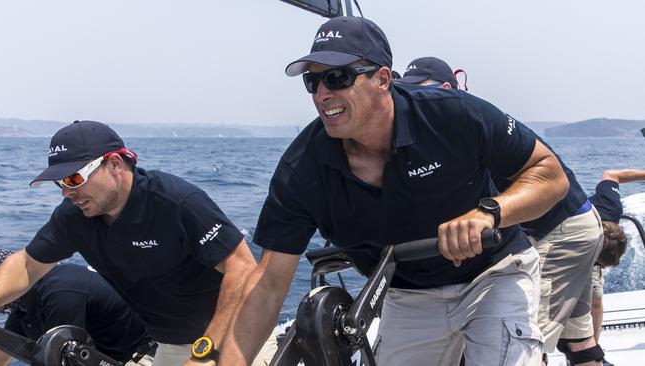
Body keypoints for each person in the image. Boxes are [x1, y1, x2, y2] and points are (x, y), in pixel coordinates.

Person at [219, 16, 571, 366]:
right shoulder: (302, 169)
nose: (323, 93)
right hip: (408, 294)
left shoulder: (452, 115)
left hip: (493, 274)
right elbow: (268, 286)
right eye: (313, 81)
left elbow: (550, 175)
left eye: (337, 77)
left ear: (382, 79)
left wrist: (489, 213)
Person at [0, 121, 276, 366]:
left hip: (238, 337)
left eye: (74, 178)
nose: (67, 192)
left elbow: (242, 270)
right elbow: (28, 264)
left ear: (115, 164)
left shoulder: (176, 202)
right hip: (171, 345)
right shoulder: (74, 216)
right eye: (60, 182)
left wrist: (205, 354)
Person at [398, 57, 606, 365]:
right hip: (579, 225)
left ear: (445, 90)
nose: (410, 101)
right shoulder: (474, 121)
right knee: (578, 341)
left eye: (419, 92)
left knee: (522, 335)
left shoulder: (463, 131)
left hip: (559, 233)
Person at [0, 247, 154, 366]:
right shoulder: (22, 304)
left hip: (144, 354)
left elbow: (62, 356)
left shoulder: (59, 293)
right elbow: (0, 356)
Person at [588, 169, 645, 366]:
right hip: (563, 251)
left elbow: (612, 175)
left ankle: (594, 354)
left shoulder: (609, 205)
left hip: (591, 249)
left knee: (595, 298)